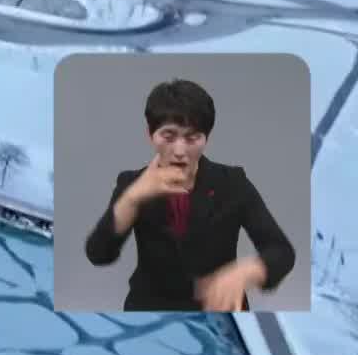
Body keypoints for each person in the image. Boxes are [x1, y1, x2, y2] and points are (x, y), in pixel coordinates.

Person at [84, 78, 295, 311]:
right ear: (150, 134)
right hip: (149, 309)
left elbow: (282, 251)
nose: (180, 151)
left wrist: (246, 271)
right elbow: (98, 253)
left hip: (220, 311)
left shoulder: (232, 183)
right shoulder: (131, 184)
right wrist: (132, 199)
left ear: (206, 137)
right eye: (168, 136)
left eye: (192, 138)